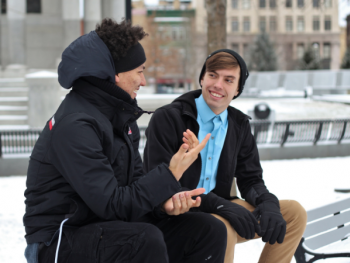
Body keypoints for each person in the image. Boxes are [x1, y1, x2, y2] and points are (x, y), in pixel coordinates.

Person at [23, 19, 228, 263]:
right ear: (115, 74)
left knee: (207, 230)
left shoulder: (119, 118)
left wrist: (163, 204)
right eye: (140, 70)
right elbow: (111, 204)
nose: (144, 81)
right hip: (58, 240)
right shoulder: (76, 124)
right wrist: (170, 173)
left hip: (107, 228)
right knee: (143, 239)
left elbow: (133, 187)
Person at [143, 49, 308, 263]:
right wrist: (220, 205)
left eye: (229, 80)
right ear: (202, 78)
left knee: (293, 213)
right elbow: (158, 184)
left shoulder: (238, 125)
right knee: (221, 228)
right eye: (213, 75)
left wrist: (268, 203)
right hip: (178, 212)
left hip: (222, 208)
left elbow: (251, 179)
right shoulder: (169, 118)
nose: (218, 85)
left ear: (238, 88)